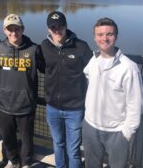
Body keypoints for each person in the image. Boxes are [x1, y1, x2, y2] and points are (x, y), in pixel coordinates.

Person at [82, 17, 143, 168]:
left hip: (117, 132)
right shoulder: (93, 60)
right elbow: (87, 77)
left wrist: (126, 133)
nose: (104, 38)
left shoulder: (129, 68)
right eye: (100, 34)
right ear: (95, 37)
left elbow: (136, 105)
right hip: (90, 127)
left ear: (115, 36)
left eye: (109, 34)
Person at [40, 11, 93, 168]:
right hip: (52, 108)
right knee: (58, 144)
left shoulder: (81, 47)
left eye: (60, 26)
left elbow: (92, 74)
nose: (57, 30)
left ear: (66, 26)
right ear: (48, 29)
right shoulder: (44, 46)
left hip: (75, 109)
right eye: (53, 27)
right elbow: (42, 68)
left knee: (73, 149)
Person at [0, 14, 44, 168]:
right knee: (7, 137)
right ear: (4, 30)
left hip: (26, 105)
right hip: (4, 104)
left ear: (23, 29)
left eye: (17, 29)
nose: (14, 33)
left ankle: (26, 163)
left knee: (27, 138)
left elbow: (49, 69)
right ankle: (12, 160)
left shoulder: (34, 49)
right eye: (10, 29)